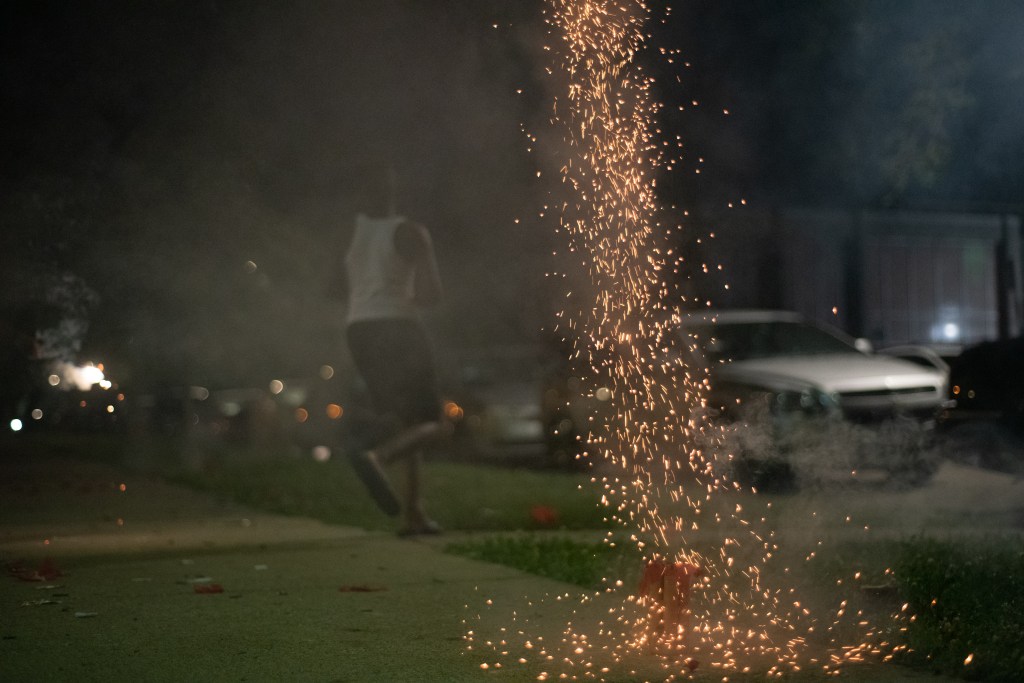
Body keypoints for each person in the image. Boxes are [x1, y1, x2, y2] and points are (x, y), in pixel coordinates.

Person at [330, 167, 445, 536]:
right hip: (398, 325)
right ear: (395, 192)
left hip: (359, 329)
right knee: (434, 421)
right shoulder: (409, 231)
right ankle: (377, 456)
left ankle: (414, 514)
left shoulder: (350, 232)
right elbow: (431, 295)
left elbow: (332, 286)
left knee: (405, 419)